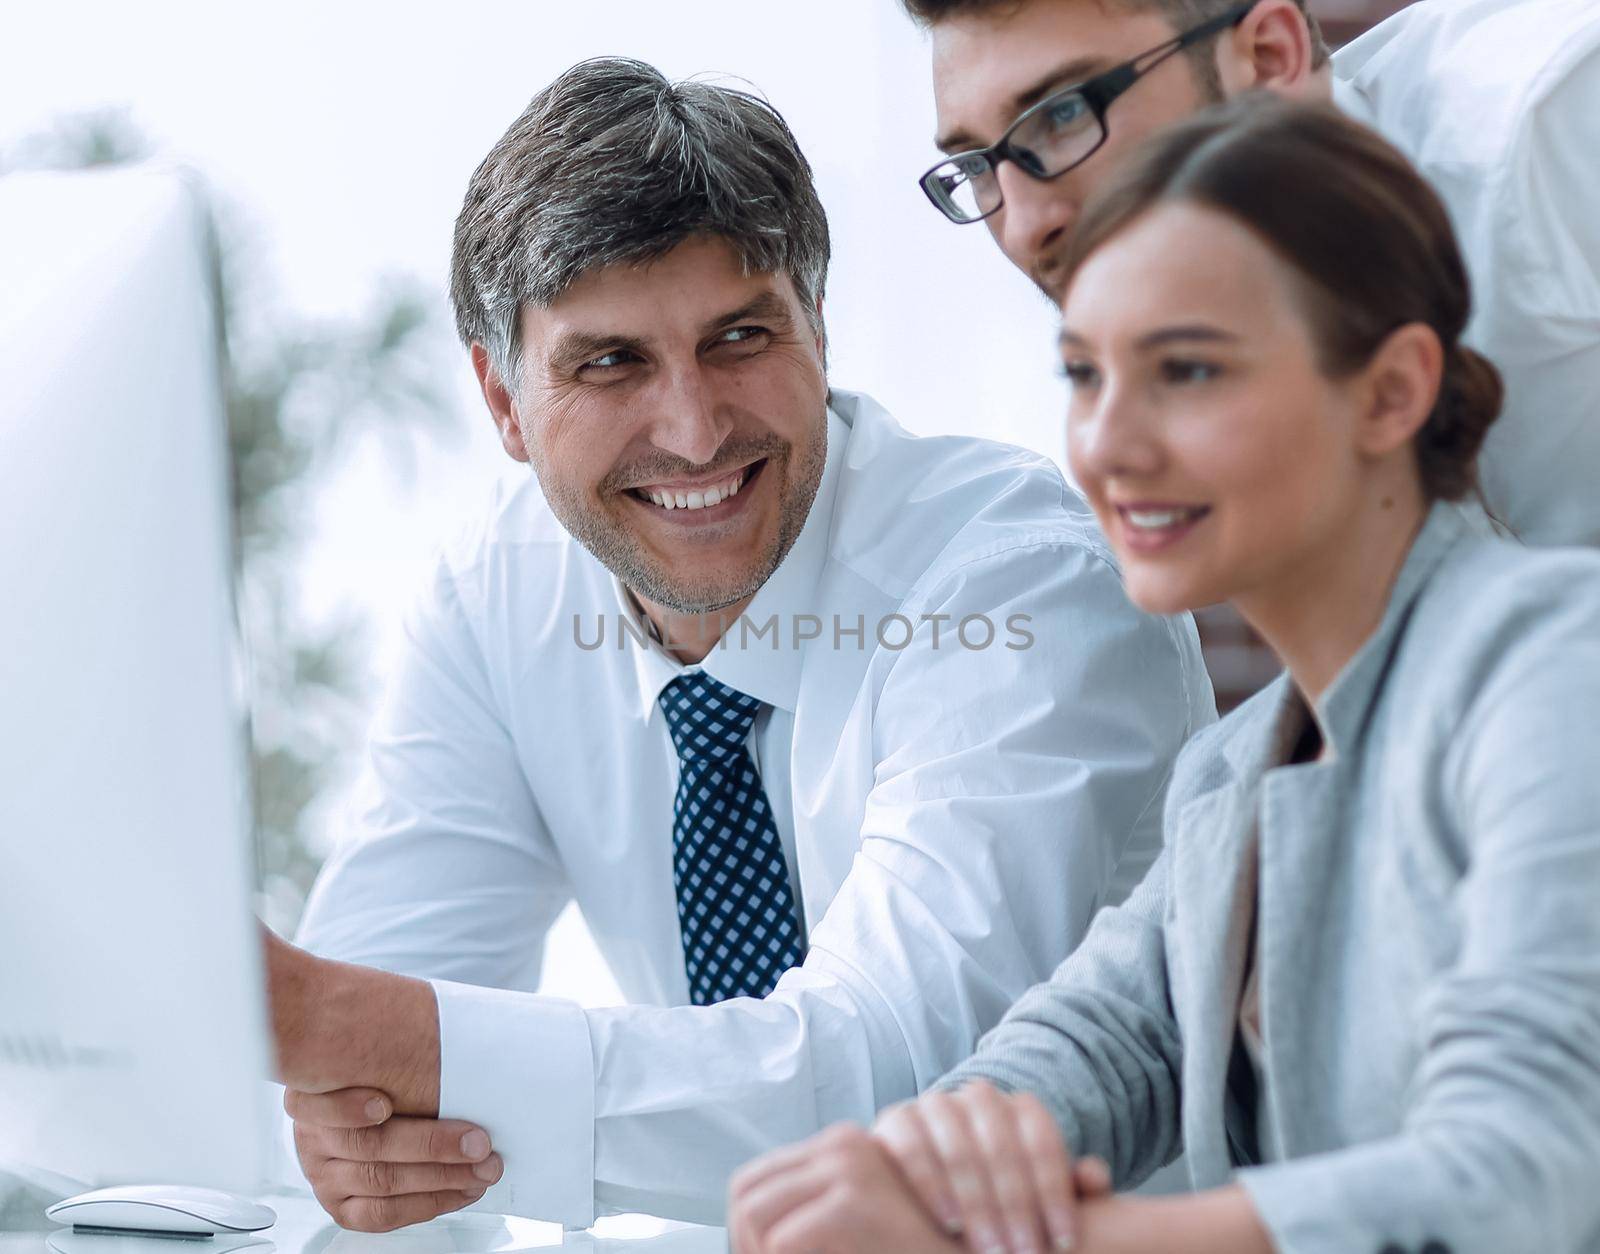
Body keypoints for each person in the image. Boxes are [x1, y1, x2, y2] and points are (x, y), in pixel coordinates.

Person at [260, 56, 1215, 1233]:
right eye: (610, 362)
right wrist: (360, 1107)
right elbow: (359, 1095)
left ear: (818, 324)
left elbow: (897, 1082)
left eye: (739, 336)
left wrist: (353, 1035)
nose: (696, 429)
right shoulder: (496, 595)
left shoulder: (1022, 583)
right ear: (503, 404)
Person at [728, 96, 1600, 1254]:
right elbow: (1096, 1047)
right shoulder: (1230, 774)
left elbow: (1524, 1175)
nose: (1109, 445)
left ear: (1391, 391)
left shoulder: (1552, 665)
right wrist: (904, 1166)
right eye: (1085, 375)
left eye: (1186, 371)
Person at [903, 0, 1600, 549]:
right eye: (975, 165)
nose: (1025, 228)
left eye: (1061, 115)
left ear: (1267, 61)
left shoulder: (1557, 121)